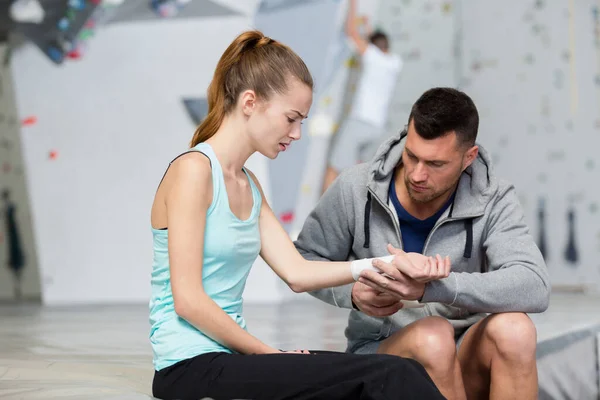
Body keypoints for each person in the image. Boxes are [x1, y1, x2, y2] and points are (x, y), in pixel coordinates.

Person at [148, 30, 447, 400]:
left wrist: (384, 263)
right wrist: (268, 355)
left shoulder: (249, 186)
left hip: (229, 360)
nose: (298, 133)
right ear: (249, 102)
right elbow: (188, 300)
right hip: (188, 368)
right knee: (389, 376)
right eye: (292, 119)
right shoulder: (193, 171)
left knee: (396, 374)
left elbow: (297, 272)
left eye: (302, 121)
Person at [295, 87, 551, 400]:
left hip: (463, 354)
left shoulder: (494, 199)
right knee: (433, 336)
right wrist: (352, 292)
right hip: (384, 357)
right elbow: (304, 259)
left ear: (468, 158)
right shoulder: (355, 187)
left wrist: (436, 288)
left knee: (516, 331)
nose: (417, 174)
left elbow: (534, 285)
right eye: (411, 155)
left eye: (435, 164)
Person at [323, 0, 403, 192]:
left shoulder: (373, 57)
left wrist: (352, 4)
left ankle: (321, 216)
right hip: (376, 128)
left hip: (360, 121)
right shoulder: (394, 62)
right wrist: (367, 28)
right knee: (357, 175)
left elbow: (350, 33)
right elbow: (373, 44)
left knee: (334, 168)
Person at [2, 189, 25, 300]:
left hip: (13, 234)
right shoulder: (5, 208)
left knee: (16, 256)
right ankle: (17, 285)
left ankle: (18, 284)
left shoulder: (11, 207)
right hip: (10, 235)